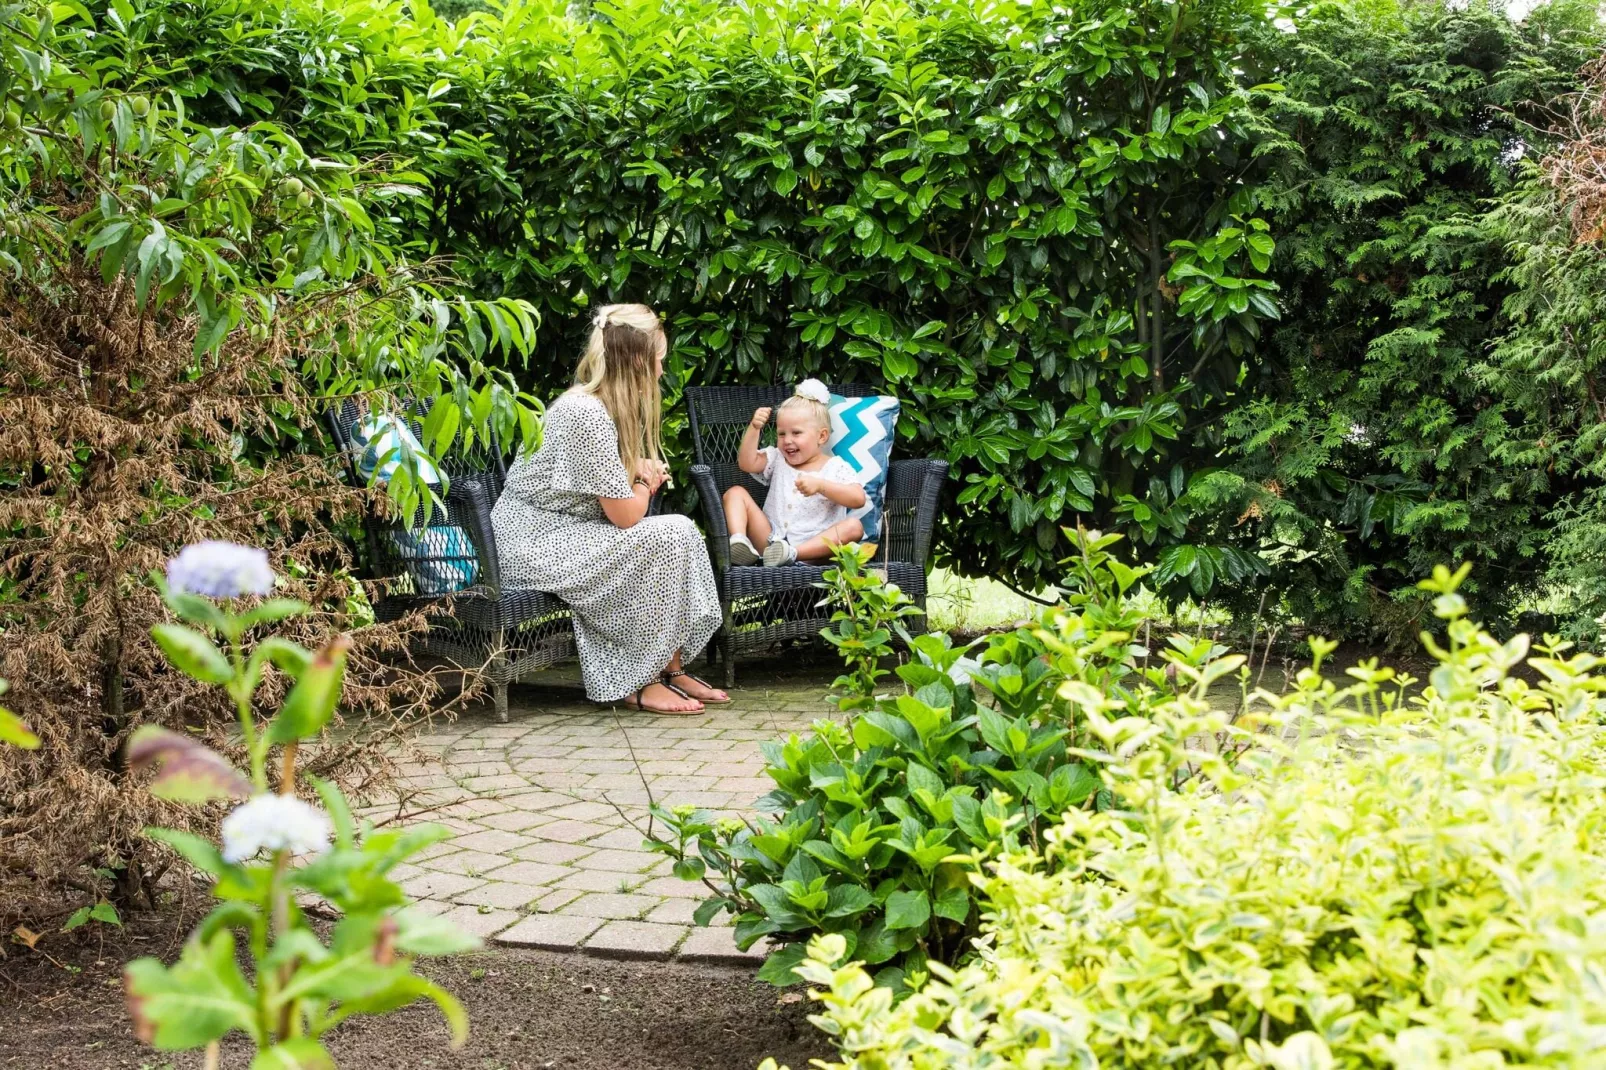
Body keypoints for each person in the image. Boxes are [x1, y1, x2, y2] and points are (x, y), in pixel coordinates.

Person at [491, 303, 727, 714]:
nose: (660, 371)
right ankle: (638, 680)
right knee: (669, 533)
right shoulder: (584, 413)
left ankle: (671, 667)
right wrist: (643, 480)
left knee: (680, 531)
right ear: (637, 359)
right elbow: (625, 516)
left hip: (565, 533)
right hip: (530, 544)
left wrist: (633, 471)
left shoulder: (602, 408)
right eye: (659, 360)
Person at [722, 379, 866, 566]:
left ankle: (792, 554)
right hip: (770, 543)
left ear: (821, 436)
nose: (787, 441)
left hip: (814, 549)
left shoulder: (835, 467)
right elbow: (746, 463)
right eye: (782, 434)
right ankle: (740, 542)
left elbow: (858, 498)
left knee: (854, 527)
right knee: (734, 493)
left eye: (796, 433)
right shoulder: (777, 458)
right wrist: (754, 428)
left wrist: (821, 486)